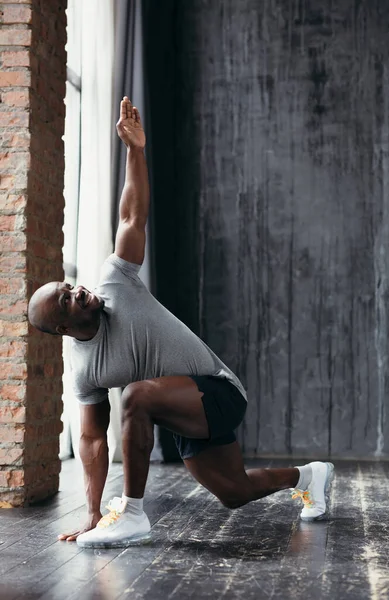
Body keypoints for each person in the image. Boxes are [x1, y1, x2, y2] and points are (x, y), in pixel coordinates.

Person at [28, 96, 335, 549]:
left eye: (68, 285)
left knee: (134, 394)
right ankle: (310, 475)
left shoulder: (116, 282)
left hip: (219, 390)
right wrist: (92, 516)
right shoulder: (85, 370)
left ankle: (132, 514)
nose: (76, 290)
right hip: (180, 408)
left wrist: (135, 150)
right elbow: (92, 442)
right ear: (62, 329)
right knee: (234, 492)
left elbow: (132, 216)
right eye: (66, 300)